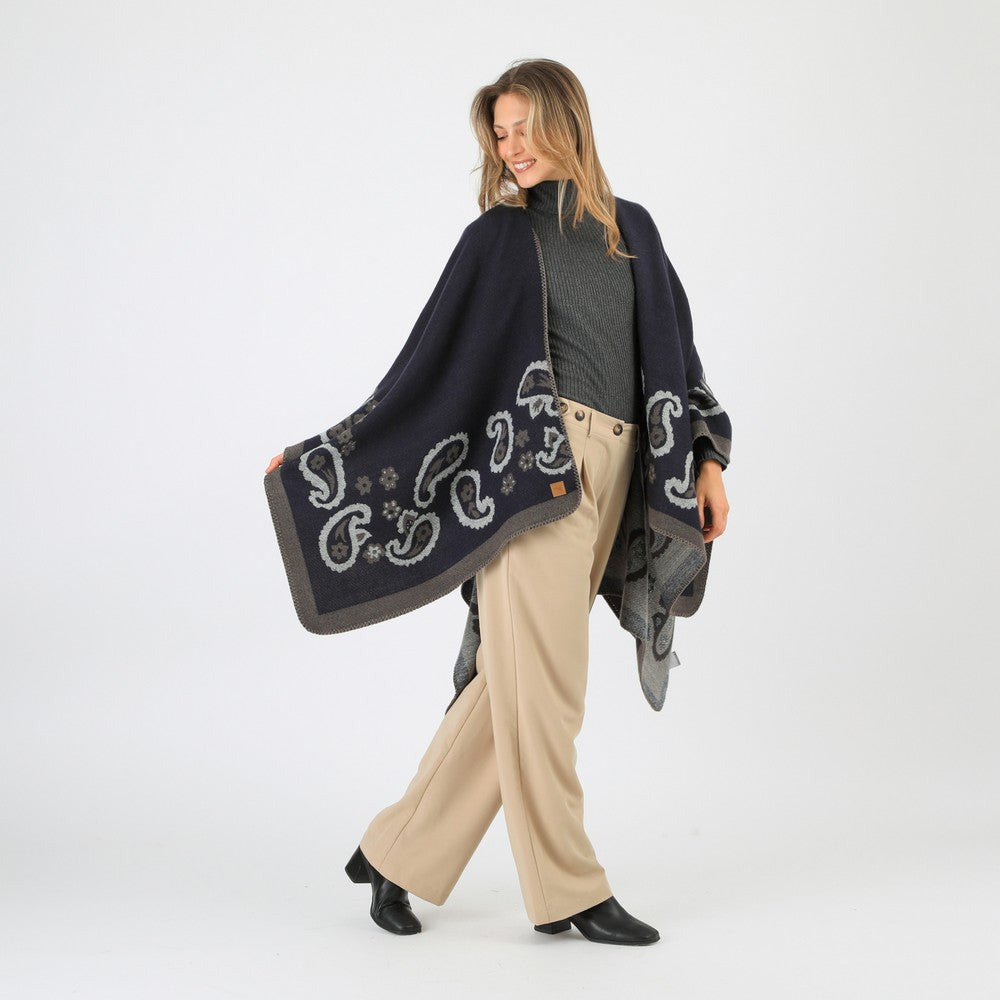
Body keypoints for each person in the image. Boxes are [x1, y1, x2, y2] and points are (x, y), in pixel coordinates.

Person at [265, 58, 731, 945]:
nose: (510, 147)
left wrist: (706, 460)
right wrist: (322, 454)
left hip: (622, 470)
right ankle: (570, 888)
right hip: (531, 479)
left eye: (524, 129)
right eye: (500, 134)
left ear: (568, 123)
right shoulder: (498, 240)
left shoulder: (634, 229)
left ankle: (394, 851)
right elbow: (423, 370)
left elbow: (681, 355)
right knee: (549, 692)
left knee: (512, 685)